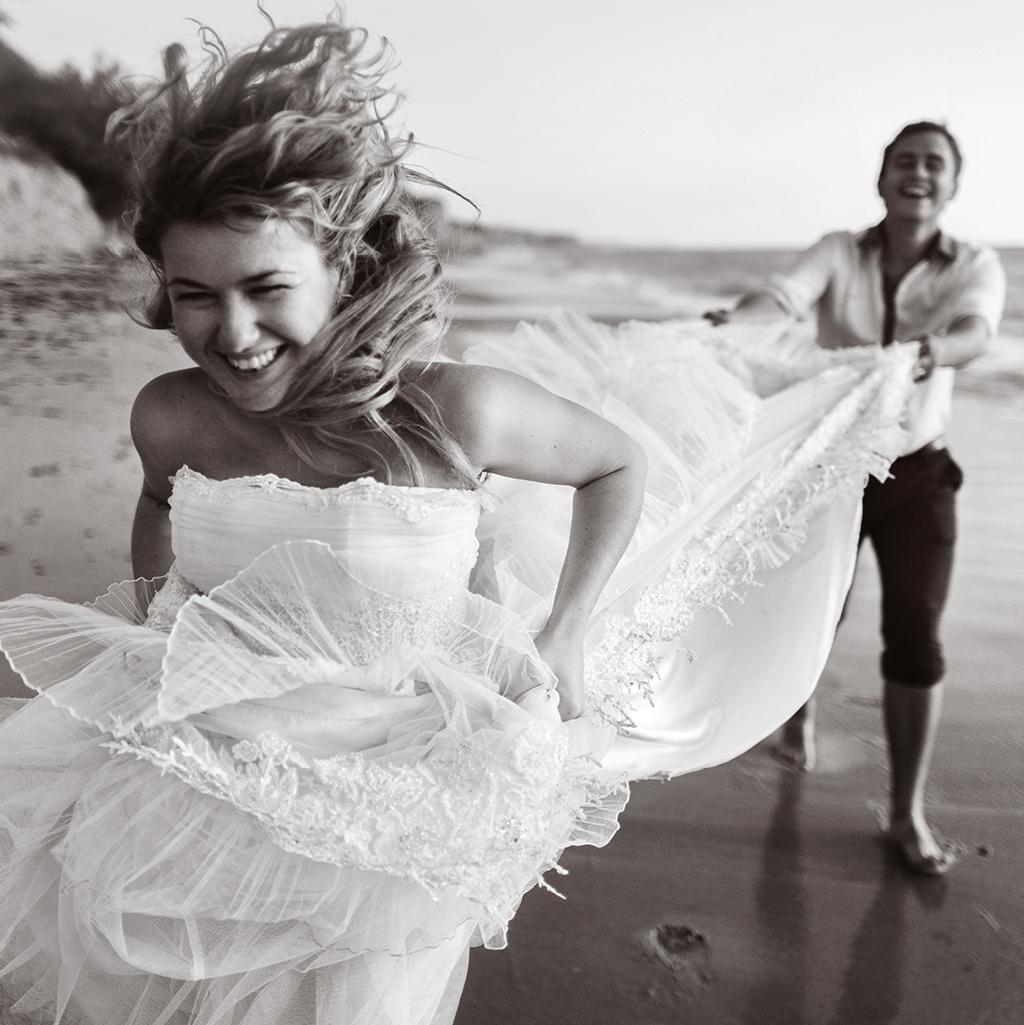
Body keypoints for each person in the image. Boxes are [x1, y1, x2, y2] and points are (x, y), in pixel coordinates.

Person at [0, 15, 921, 1025]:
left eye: (267, 289)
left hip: (398, 795)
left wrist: (564, 629)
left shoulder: (450, 409)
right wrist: (152, 621)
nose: (233, 331)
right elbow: (158, 500)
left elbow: (617, 461)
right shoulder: (169, 413)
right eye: (193, 296)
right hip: (205, 771)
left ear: (342, 269)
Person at [705, 121, 1007, 875]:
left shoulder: (974, 263)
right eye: (904, 161)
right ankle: (795, 720)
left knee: (916, 631)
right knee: (817, 608)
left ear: (952, 185)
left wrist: (926, 353)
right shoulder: (840, 250)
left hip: (918, 472)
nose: (918, 173)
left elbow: (976, 331)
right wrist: (733, 323)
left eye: (933, 164)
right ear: (881, 179)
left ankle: (905, 812)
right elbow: (782, 297)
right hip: (832, 466)